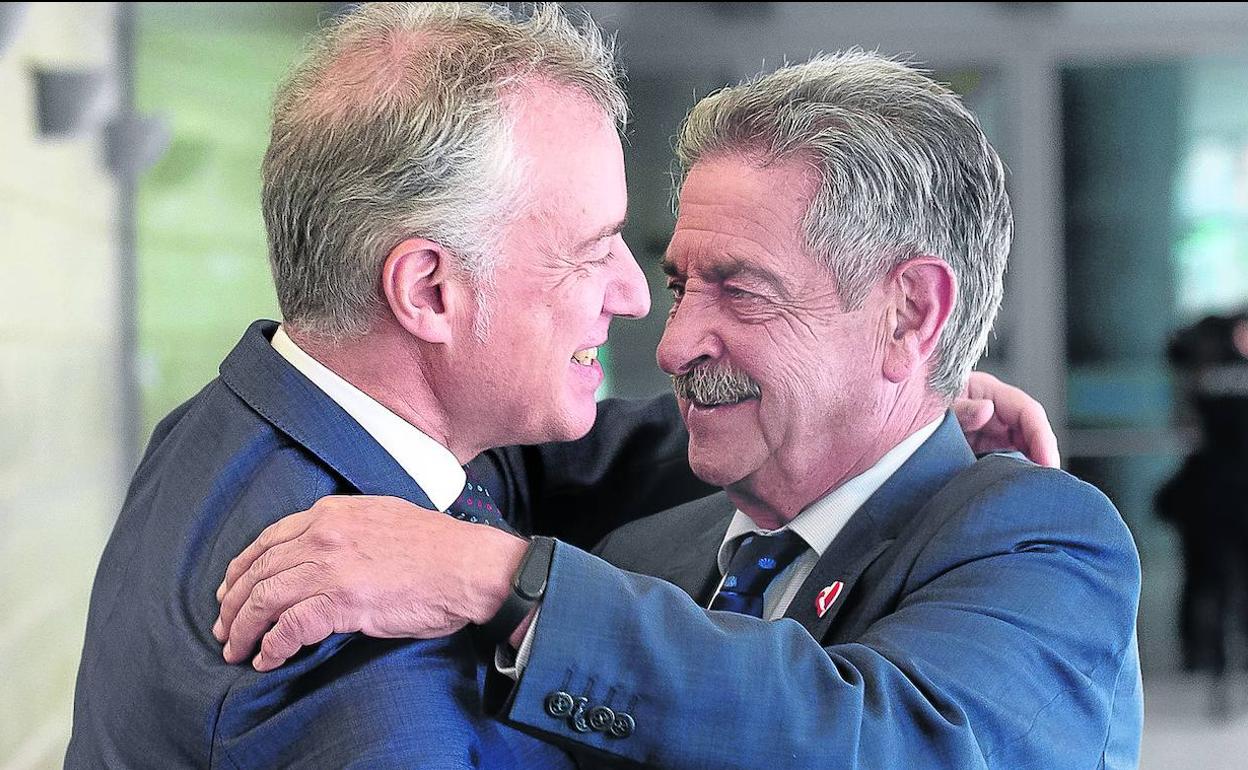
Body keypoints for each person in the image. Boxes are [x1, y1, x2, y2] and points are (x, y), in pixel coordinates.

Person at [67, 4, 1050, 768]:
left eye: (739, 286)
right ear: (431, 291)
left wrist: (876, 401)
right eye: (592, 250)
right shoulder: (358, 653)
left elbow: (598, 455)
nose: (638, 302)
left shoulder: (250, 426)